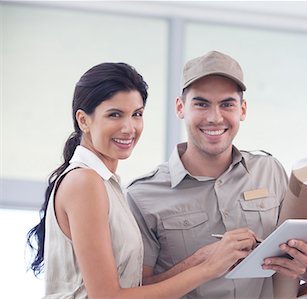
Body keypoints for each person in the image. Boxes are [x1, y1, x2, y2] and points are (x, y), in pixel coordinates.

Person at [26, 62, 258, 299]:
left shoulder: (103, 183)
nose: (129, 128)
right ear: (83, 120)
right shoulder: (85, 181)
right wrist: (209, 269)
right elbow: (108, 297)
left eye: (136, 114)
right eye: (115, 114)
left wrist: (200, 259)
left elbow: (130, 289)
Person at [126, 51, 307, 299]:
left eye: (227, 104)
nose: (215, 117)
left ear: (243, 110)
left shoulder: (269, 171)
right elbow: (137, 292)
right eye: (201, 104)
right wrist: (202, 262)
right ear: (180, 108)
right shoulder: (142, 195)